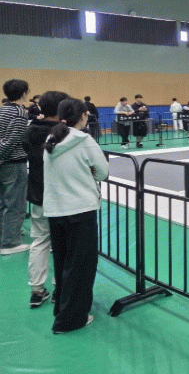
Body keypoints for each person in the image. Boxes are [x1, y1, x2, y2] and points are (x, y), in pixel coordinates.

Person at [44, 98, 109, 333]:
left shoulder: (52, 138)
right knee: (81, 265)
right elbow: (103, 172)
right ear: (83, 116)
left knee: (63, 262)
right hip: (80, 210)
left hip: (56, 210)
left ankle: (62, 308)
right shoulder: (85, 141)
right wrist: (88, 170)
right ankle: (71, 319)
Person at [22, 91, 69, 307]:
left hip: (39, 194)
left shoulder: (31, 130)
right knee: (65, 244)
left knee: (40, 241)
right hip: (63, 197)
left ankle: (37, 290)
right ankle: (61, 287)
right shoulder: (66, 133)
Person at [0, 79, 31, 255]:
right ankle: (10, 243)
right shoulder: (20, 112)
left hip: (5, 162)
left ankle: (4, 235)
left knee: (3, 201)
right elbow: (12, 140)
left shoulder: (2, 109)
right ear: (24, 93)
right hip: (13, 162)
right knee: (15, 203)